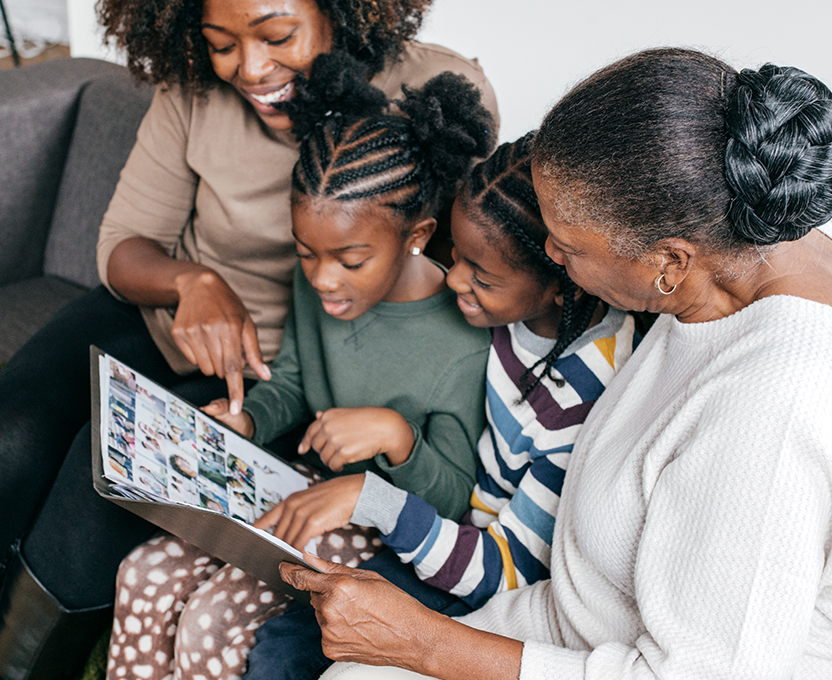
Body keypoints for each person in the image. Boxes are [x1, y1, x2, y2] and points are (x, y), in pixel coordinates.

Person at [274, 48, 832, 680]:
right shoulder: (731, 243)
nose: (549, 256)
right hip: (556, 628)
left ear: (669, 263)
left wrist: (420, 642)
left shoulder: (770, 410)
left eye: (566, 248)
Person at [0, 0, 499, 677]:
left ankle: (23, 663)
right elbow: (121, 248)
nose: (250, 67)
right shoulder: (195, 94)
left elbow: (470, 272)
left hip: (280, 363)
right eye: (220, 42)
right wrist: (191, 282)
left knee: (96, 472)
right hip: (181, 314)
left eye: (277, 34)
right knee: (10, 430)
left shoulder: (433, 99)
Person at [241, 132, 640, 680]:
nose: (452, 279)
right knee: (288, 637)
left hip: (488, 572)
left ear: (561, 279)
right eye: (455, 256)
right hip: (446, 535)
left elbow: (505, 571)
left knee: (288, 654)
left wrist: (370, 496)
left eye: (481, 275)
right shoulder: (512, 311)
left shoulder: (580, 399)